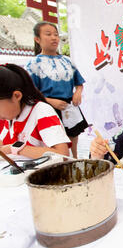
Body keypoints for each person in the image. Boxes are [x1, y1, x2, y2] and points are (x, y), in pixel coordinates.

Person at [26, 21, 89, 158]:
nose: (54, 38)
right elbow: (30, 91)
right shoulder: (34, 64)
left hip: (69, 105)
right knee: (56, 137)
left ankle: (75, 157)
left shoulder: (67, 61)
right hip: (48, 106)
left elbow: (79, 82)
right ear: (37, 39)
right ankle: (59, 160)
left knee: (73, 132)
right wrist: (49, 101)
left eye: (56, 34)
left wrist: (78, 93)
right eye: (48, 34)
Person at [0, 64, 70, 158]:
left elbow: (62, 155)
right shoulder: (11, 116)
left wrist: (14, 148)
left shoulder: (42, 111)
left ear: (17, 96)